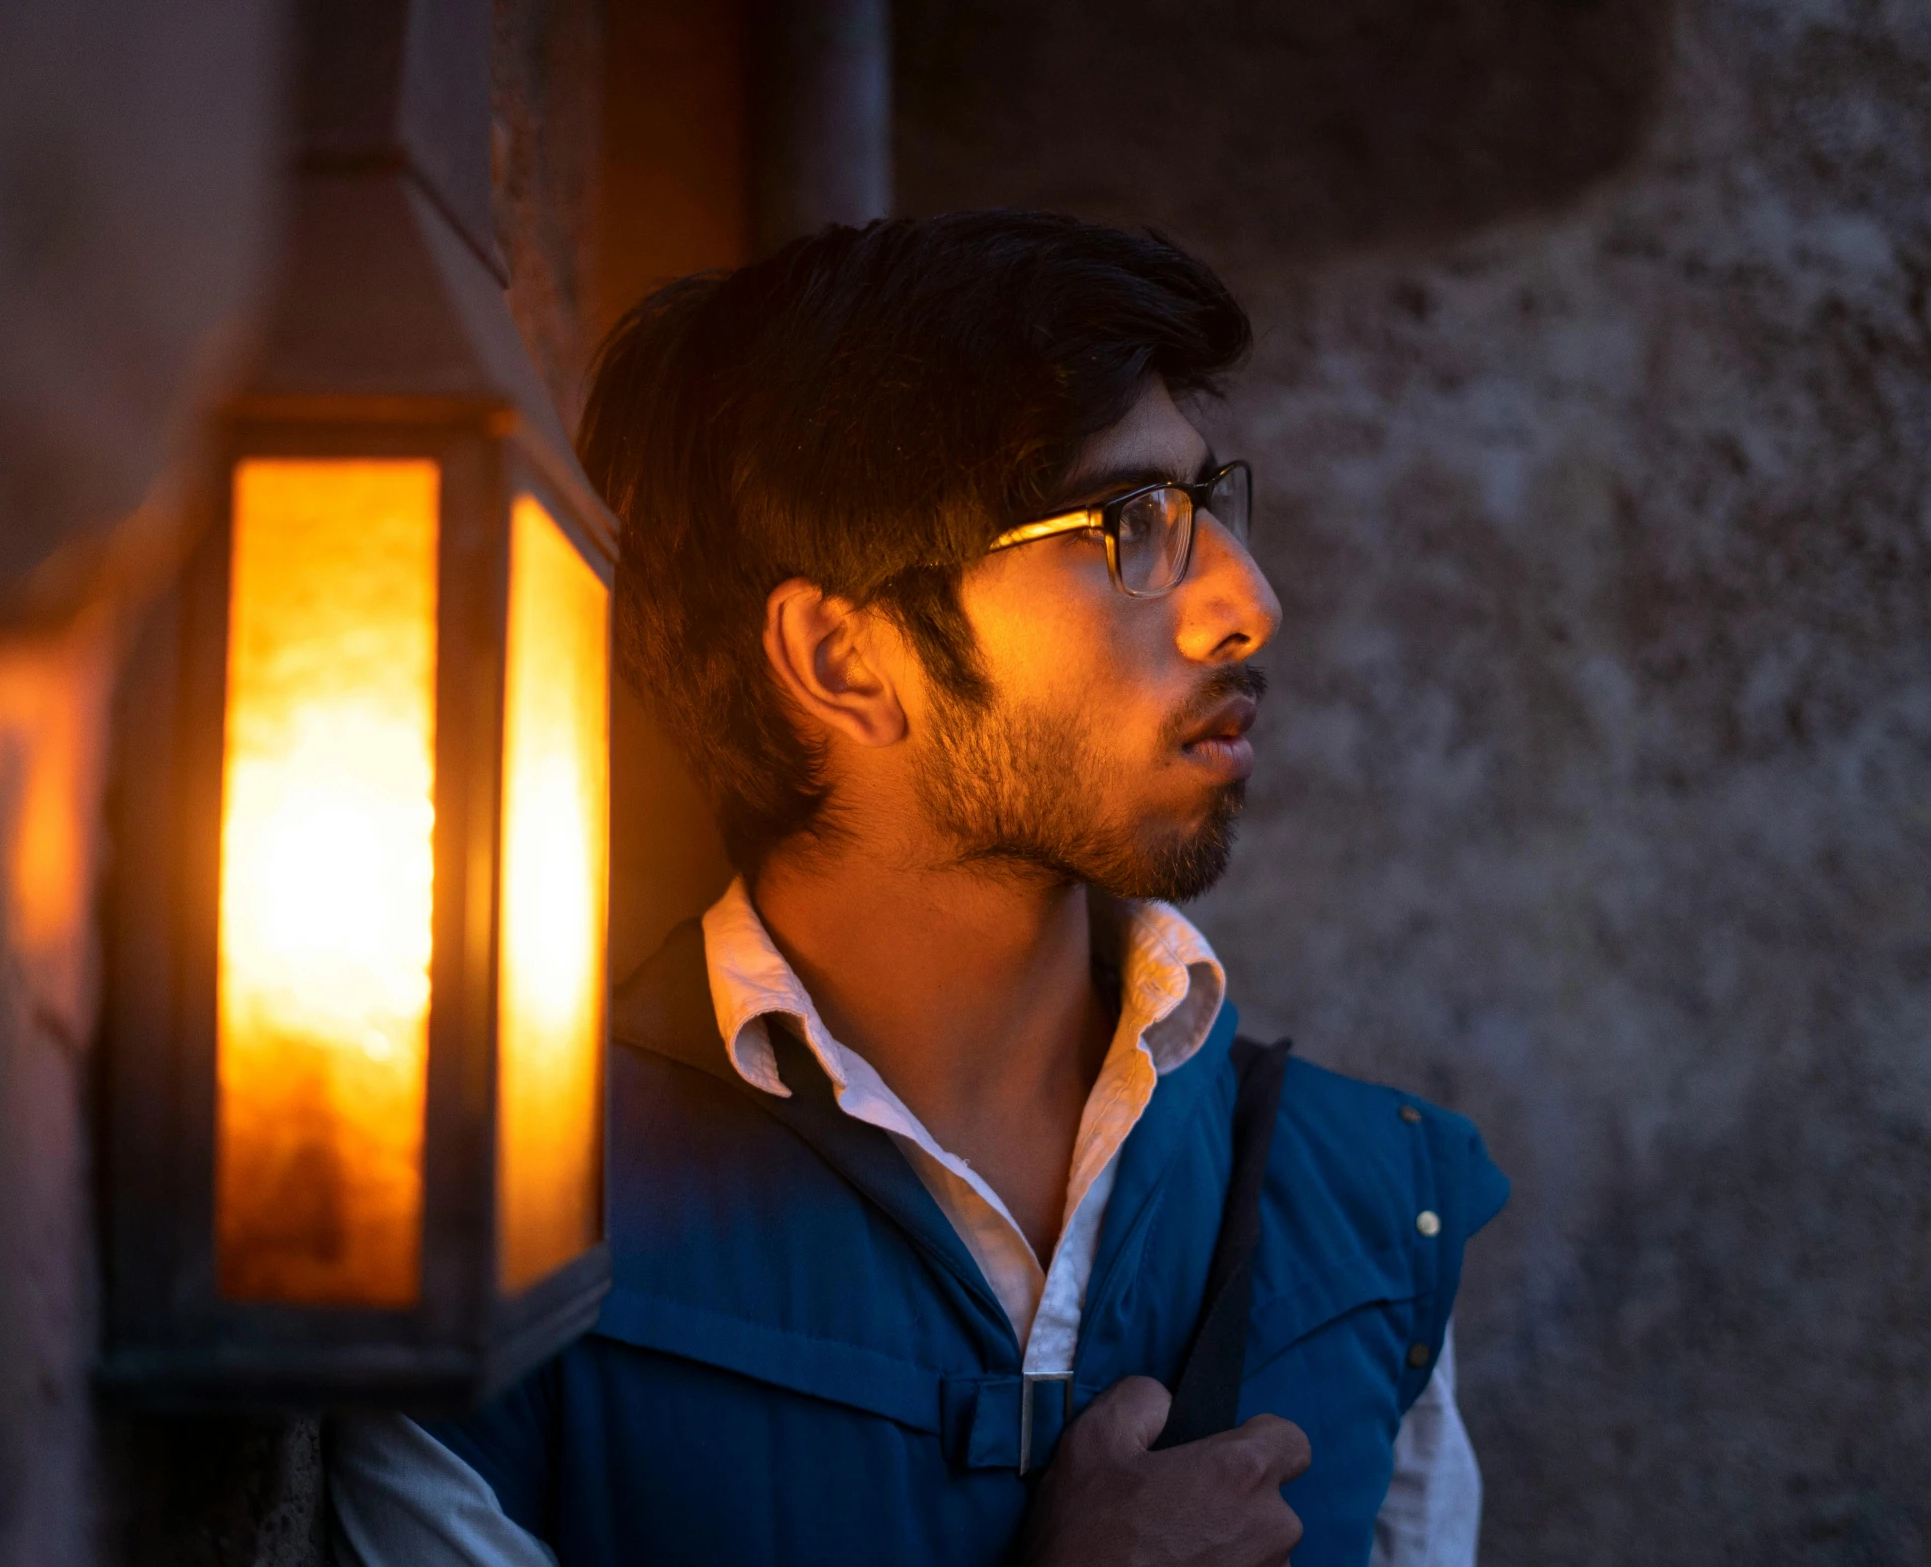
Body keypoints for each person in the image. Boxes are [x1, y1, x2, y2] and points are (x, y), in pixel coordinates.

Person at [330, 210, 1506, 1567]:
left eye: (1204, 507)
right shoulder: (497, 1226)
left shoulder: (1364, 1203)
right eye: (1125, 523)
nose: (1244, 601)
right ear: (842, 659)